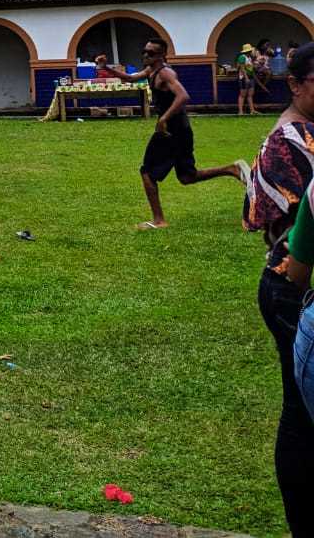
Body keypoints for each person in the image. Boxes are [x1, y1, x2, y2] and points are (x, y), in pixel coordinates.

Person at [245, 43, 314, 534]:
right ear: (295, 84)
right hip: (293, 287)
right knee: (302, 414)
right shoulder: (285, 141)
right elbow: (283, 228)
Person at [105, 38, 245, 230]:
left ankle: (159, 220)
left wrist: (163, 119)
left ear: (162, 55)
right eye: (144, 51)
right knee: (187, 177)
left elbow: (183, 96)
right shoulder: (151, 71)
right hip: (181, 129)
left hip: (171, 130)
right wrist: (106, 67)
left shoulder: (165, 73)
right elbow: (130, 78)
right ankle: (231, 169)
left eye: (151, 53)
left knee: (147, 171)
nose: (146, 55)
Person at [237, 44, 257, 116]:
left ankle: (252, 110)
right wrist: (246, 78)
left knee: (250, 94)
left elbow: (250, 68)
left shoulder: (249, 58)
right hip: (244, 78)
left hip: (250, 77)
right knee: (242, 95)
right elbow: (242, 68)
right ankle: (240, 111)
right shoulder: (242, 57)